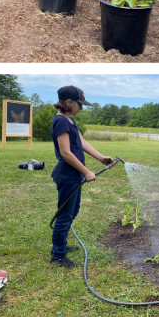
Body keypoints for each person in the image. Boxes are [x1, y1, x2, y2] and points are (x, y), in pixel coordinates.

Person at [49, 86, 113, 268]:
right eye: (80, 104)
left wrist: (101, 158)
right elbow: (66, 153)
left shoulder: (69, 120)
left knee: (73, 211)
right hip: (67, 175)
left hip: (74, 175)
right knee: (64, 215)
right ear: (69, 102)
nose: (82, 108)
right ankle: (58, 255)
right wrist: (86, 171)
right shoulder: (60, 121)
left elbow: (82, 142)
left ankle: (61, 244)